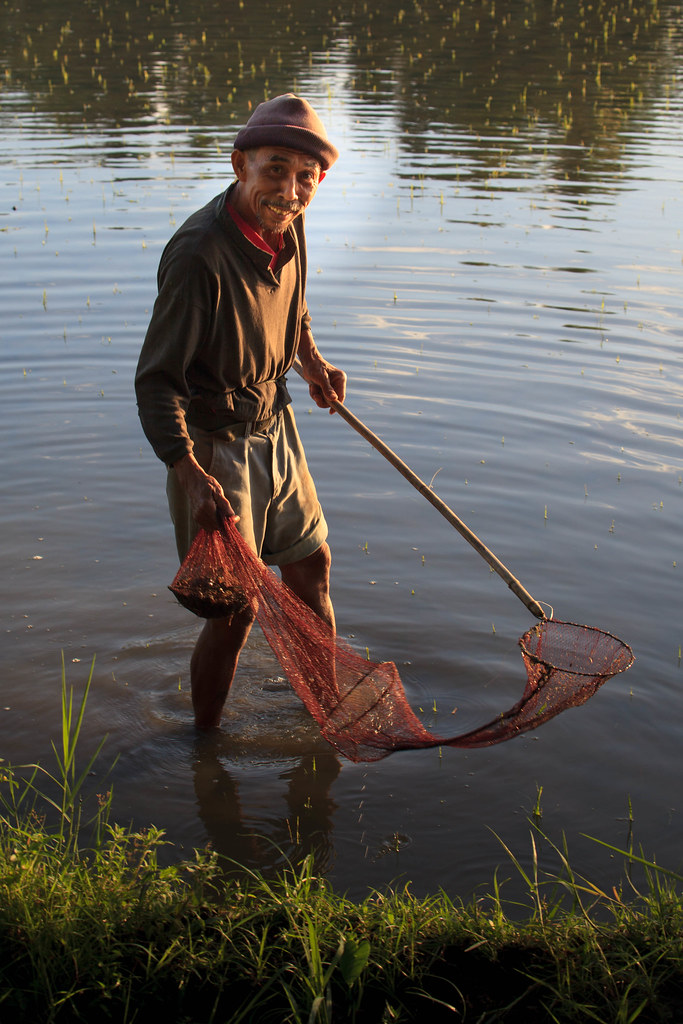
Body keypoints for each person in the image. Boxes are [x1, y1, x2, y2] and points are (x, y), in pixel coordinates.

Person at [135, 94, 346, 730]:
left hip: (273, 424)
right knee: (237, 609)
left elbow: (296, 306)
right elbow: (155, 383)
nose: (290, 189)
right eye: (275, 169)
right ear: (239, 165)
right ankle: (206, 747)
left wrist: (310, 360)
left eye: (305, 176)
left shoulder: (291, 224)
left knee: (312, 564)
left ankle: (328, 715)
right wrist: (189, 474)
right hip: (211, 444)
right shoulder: (200, 256)